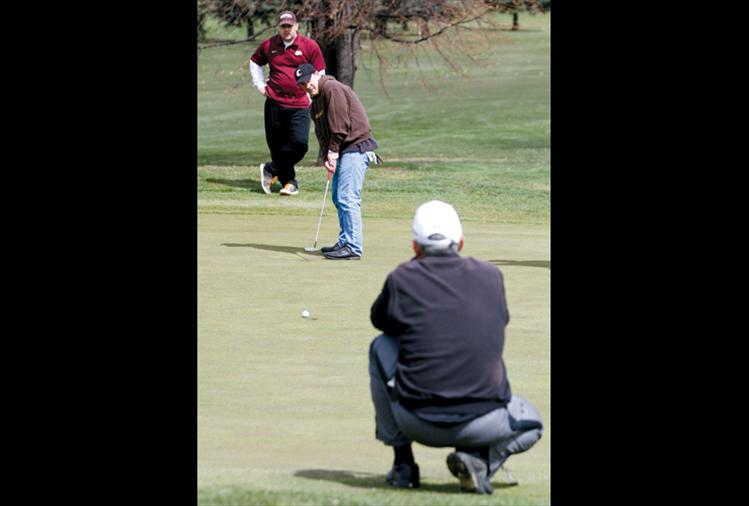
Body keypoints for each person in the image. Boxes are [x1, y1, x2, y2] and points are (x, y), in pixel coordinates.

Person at [368, 200, 544, 494]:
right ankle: (480, 461)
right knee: (534, 423)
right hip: (485, 422)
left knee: (380, 346)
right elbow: (499, 321)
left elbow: (380, 322)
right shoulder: (492, 276)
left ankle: (403, 467)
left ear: (415, 247)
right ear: (460, 243)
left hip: (416, 420)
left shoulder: (401, 278)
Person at [295, 64, 381, 260]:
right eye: (302, 84)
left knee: (347, 197)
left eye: (308, 81)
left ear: (316, 75)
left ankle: (353, 247)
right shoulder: (314, 103)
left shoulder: (332, 89)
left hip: (355, 148)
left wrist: (333, 151)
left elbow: (341, 126)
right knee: (338, 197)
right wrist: (327, 155)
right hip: (342, 150)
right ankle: (344, 241)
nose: (306, 86)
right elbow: (321, 134)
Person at [249, 11, 326, 196]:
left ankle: (270, 168)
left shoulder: (309, 46)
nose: (286, 29)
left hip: (300, 103)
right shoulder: (270, 45)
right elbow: (255, 62)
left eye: (289, 26)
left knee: (300, 144)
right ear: (279, 27)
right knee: (277, 146)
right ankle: (290, 183)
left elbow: (320, 71)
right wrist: (259, 85)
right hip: (274, 101)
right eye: (283, 26)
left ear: (296, 26)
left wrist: (311, 94)